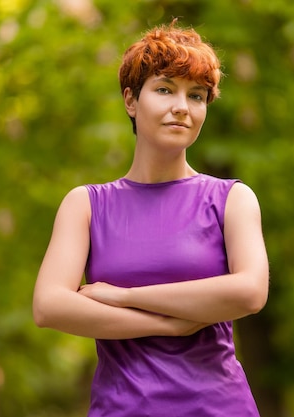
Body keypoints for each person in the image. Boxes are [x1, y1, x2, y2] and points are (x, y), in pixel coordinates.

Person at [33, 20, 269, 417]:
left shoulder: (232, 199)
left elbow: (250, 292)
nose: (182, 107)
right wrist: (168, 324)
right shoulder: (86, 205)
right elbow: (49, 306)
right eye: (164, 90)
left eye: (196, 96)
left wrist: (124, 297)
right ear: (131, 100)